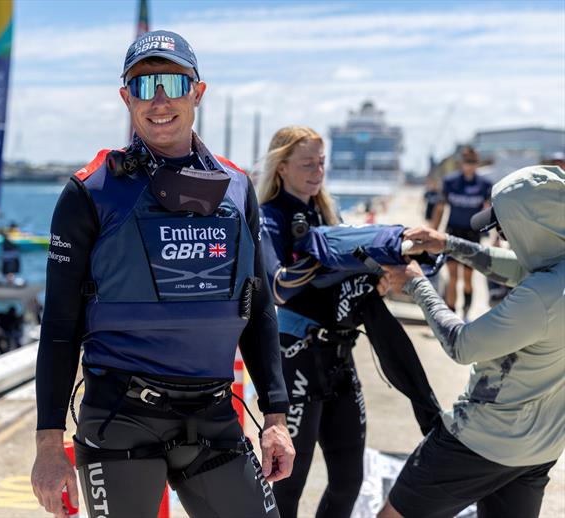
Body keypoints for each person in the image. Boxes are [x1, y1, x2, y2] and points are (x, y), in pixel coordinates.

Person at [30, 30, 293, 518]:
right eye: (143, 86)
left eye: (173, 82)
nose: (160, 100)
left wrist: (274, 418)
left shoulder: (236, 189)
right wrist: (49, 444)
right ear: (125, 97)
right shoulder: (91, 191)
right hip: (120, 417)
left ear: (198, 91)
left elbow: (259, 311)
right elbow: (60, 327)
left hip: (214, 415)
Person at [379, 165, 564, 518]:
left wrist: (418, 284)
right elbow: (512, 265)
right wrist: (448, 244)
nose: (503, 238)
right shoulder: (556, 271)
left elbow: (461, 344)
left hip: (479, 441)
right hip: (539, 449)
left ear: (532, 228)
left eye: (507, 229)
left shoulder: (540, 297)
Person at [258, 126, 389, 518]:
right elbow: (278, 287)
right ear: (281, 168)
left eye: (322, 163)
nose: (317, 172)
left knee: (350, 480)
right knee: (287, 485)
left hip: (339, 359)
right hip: (297, 360)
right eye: (307, 163)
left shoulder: (327, 215)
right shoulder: (269, 217)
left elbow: (350, 278)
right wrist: (330, 256)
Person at [431, 146, 492, 319]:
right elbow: (440, 207)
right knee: (452, 276)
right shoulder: (450, 182)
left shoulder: (485, 185)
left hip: (473, 234)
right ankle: (451, 315)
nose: (469, 165)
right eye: (467, 162)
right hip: (453, 232)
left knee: (467, 278)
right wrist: (432, 231)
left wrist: (492, 236)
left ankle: (465, 313)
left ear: (477, 163)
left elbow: (489, 211)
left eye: (473, 162)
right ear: (461, 163)